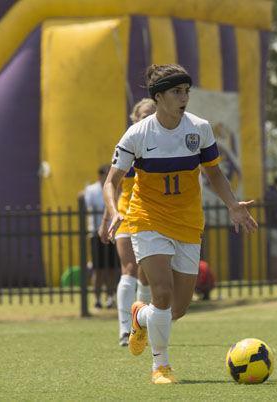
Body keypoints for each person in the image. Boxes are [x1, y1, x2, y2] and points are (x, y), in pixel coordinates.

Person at [102, 63, 257, 384]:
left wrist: (233, 205)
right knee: (161, 291)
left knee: (177, 309)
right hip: (148, 219)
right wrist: (113, 211)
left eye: (186, 91)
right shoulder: (138, 134)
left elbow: (214, 172)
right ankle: (161, 366)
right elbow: (111, 181)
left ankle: (139, 316)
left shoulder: (199, 128)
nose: (184, 97)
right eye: (177, 92)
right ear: (158, 98)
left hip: (187, 223)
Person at [98, 98, 156, 347]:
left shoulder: (163, 144)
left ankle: (139, 323)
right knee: (129, 269)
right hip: (125, 215)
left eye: (152, 113)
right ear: (135, 118)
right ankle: (124, 330)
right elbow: (113, 184)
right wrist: (106, 220)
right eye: (143, 114)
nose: (148, 118)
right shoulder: (129, 143)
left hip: (151, 217)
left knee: (146, 276)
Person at [83, 165, 118, 309]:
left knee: (111, 268)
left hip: (112, 233)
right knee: (98, 269)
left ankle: (110, 298)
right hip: (96, 234)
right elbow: (86, 205)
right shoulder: (91, 190)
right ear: (100, 176)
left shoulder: (115, 188)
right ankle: (97, 298)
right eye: (105, 174)